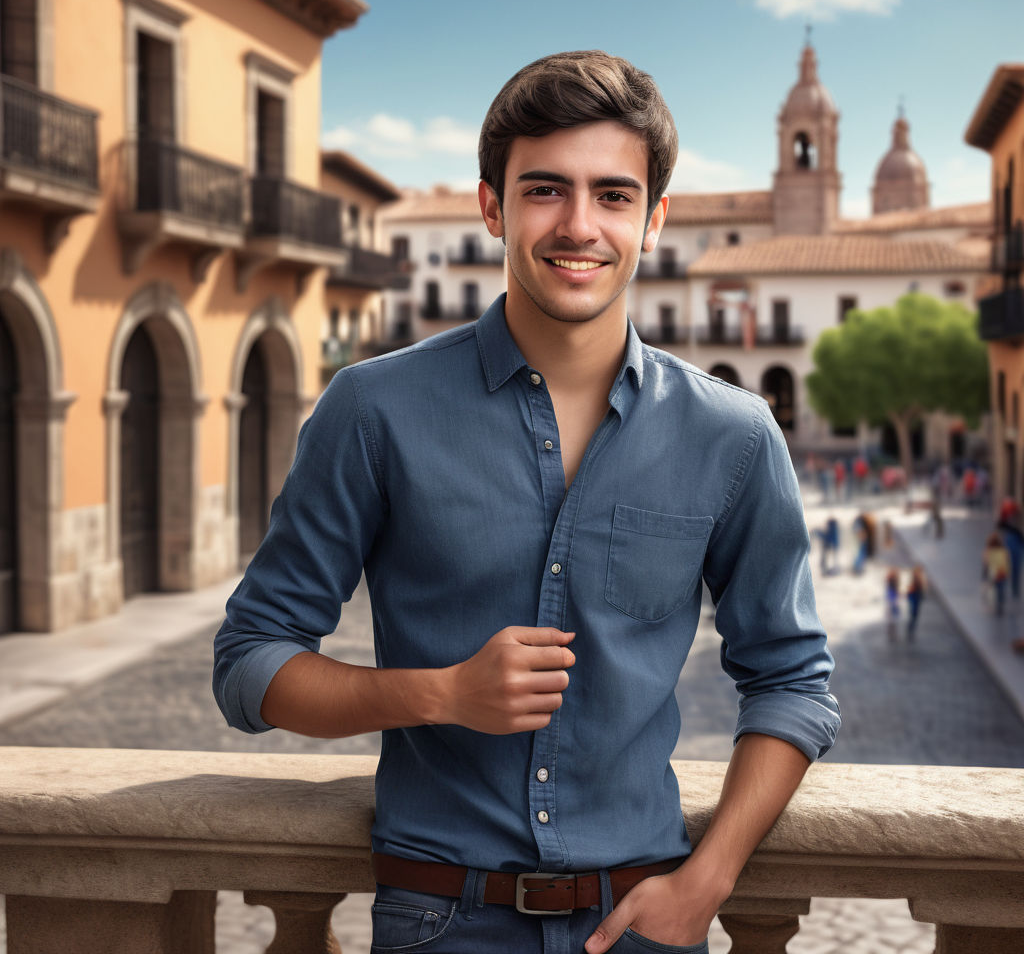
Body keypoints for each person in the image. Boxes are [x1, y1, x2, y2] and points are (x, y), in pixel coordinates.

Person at [213, 51, 840, 954]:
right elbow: (248, 664)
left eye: (614, 196)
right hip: (438, 920)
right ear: (491, 207)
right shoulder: (372, 410)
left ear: (654, 220)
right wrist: (440, 693)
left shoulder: (734, 436)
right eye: (545, 190)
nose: (579, 225)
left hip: (643, 926)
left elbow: (792, 681)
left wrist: (709, 878)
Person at [983, 532, 1010, 617]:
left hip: (994, 574)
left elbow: (986, 563)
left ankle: (997, 605)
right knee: (1000, 590)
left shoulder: (989, 551)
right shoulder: (1003, 551)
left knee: (994, 591)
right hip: (1001, 573)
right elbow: (1007, 562)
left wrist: (985, 575)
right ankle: (1000, 605)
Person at [906, 565, 927, 642]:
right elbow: (911, 590)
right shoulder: (915, 579)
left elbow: (921, 589)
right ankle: (910, 629)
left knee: (915, 614)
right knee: (913, 614)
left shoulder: (919, 579)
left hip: (916, 597)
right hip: (914, 597)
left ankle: (911, 629)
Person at [884, 568, 901, 643]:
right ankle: (892, 633)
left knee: (892, 620)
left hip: (892, 603)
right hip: (892, 603)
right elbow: (891, 596)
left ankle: (891, 633)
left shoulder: (892, 585)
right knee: (892, 620)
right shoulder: (892, 585)